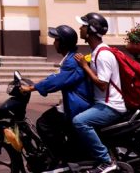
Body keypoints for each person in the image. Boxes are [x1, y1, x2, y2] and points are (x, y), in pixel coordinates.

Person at [19, 24, 92, 157]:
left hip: (76, 106)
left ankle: (59, 157)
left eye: (56, 40)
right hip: (74, 102)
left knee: (43, 124)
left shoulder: (71, 61)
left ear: (63, 43)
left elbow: (57, 81)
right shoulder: (70, 58)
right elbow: (56, 76)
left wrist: (31, 88)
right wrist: (36, 83)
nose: (53, 42)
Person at [71, 12, 126, 173]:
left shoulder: (103, 55)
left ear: (90, 31)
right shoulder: (96, 52)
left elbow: (102, 84)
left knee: (79, 121)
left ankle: (106, 161)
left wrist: (84, 66)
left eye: (83, 26)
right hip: (102, 103)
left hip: (110, 106)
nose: (80, 28)